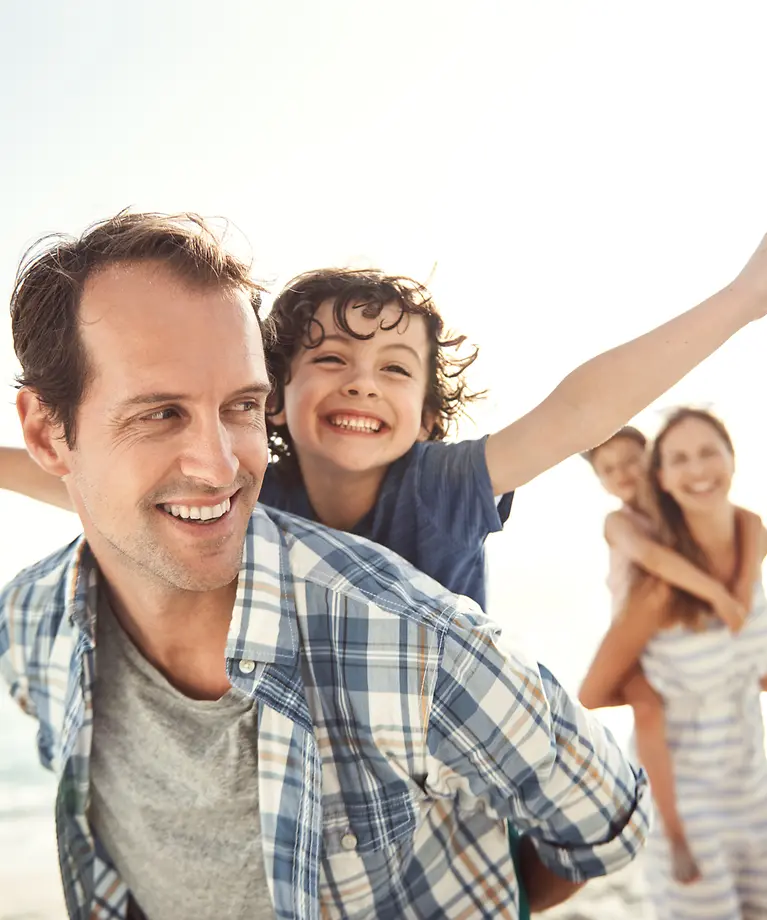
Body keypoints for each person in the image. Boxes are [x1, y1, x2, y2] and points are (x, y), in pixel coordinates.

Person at [0, 211, 653, 920]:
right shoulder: (34, 618)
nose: (218, 468)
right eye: (159, 413)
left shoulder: (426, 590)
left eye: (236, 407)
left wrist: (495, 896)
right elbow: (91, 489)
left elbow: (601, 818)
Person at [579, 409, 767, 919]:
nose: (623, 476)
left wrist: (739, 593)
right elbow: (592, 691)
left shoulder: (732, 535)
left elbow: (749, 662)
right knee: (650, 714)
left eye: (708, 451)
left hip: (750, 785)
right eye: (680, 457)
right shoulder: (632, 539)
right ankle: (676, 834)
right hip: (643, 672)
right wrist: (721, 598)